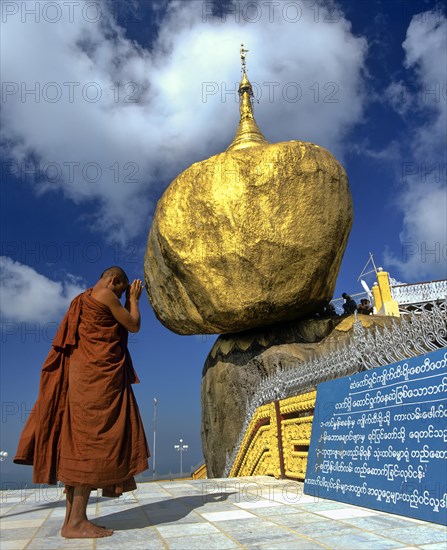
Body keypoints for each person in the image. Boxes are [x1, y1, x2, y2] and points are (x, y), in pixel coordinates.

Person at [14, 267, 150, 539]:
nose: (121, 294)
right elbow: (133, 325)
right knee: (93, 446)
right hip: (98, 384)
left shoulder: (81, 299)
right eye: (121, 289)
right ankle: (76, 522)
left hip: (80, 383)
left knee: (78, 446)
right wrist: (133, 300)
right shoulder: (106, 296)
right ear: (114, 281)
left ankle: (72, 521)